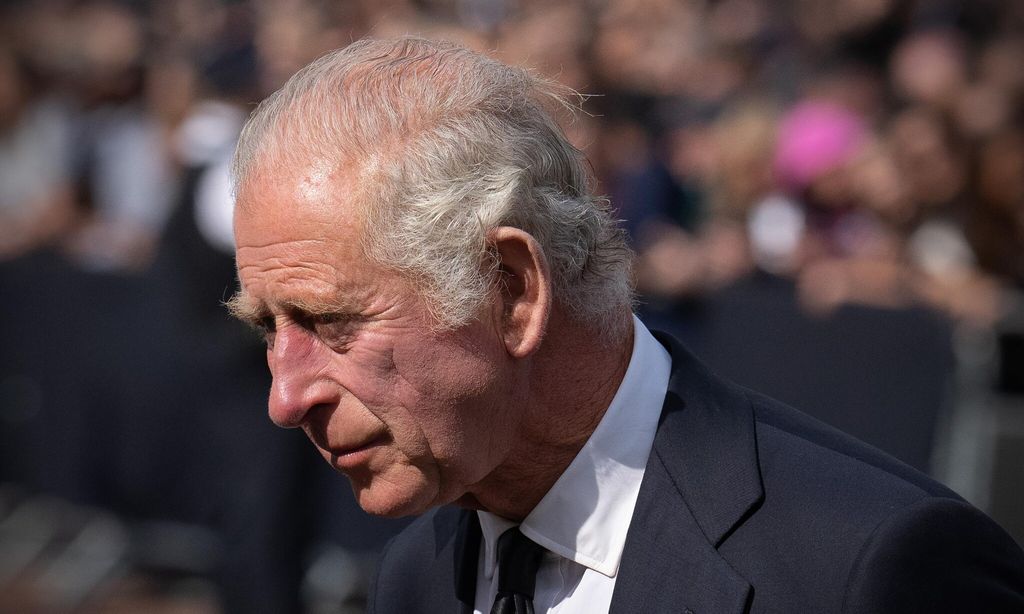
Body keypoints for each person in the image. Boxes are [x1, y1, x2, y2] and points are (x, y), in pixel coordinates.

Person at [227, 37, 1024, 613]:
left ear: (513, 291)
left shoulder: (871, 569)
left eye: (330, 322)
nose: (285, 396)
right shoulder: (419, 573)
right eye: (269, 328)